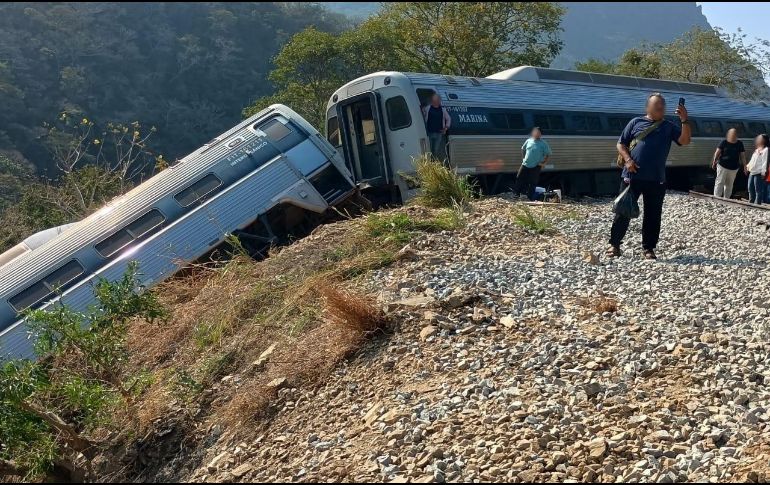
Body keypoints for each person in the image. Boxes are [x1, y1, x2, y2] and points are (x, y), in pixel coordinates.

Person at [608, 93, 691, 260]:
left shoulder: (668, 126)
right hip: (632, 176)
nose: (661, 108)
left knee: (653, 214)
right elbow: (621, 143)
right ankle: (614, 245)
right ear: (648, 107)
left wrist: (684, 120)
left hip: (656, 178)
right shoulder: (635, 122)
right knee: (623, 211)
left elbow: (685, 141)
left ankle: (649, 248)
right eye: (657, 105)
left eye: (662, 105)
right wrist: (628, 160)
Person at [513, 127, 552, 200]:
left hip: (536, 165)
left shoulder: (543, 143)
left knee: (533, 182)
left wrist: (544, 163)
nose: (536, 133)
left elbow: (548, 154)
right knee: (519, 178)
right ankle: (516, 194)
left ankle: (530, 197)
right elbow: (523, 149)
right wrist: (523, 158)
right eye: (535, 132)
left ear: (540, 134)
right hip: (525, 164)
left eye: (538, 132)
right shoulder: (528, 140)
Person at [711, 128, 746, 199]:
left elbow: (742, 155)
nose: (733, 135)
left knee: (729, 184)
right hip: (722, 165)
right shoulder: (724, 142)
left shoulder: (739, 143)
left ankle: (726, 199)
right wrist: (714, 162)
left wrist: (745, 166)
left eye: (734, 134)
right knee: (720, 182)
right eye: (732, 133)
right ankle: (717, 198)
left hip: (734, 167)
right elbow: (717, 153)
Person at [421, 93, 451, 162]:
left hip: (439, 133)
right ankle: (430, 163)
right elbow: (422, 113)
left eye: (437, 100)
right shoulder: (428, 108)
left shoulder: (443, 110)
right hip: (429, 132)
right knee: (429, 149)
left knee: (436, 150)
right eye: (434, 100)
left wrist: (446, 128)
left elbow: (448, 119)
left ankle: (434, 163)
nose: (435, 101)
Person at [746, 133, 768, 204]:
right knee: (750, 188)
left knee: (758, 190)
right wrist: (748, 166)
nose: (758, 140)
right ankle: (751, 202)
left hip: (759, 173)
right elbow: (752, 160)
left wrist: (763, 172)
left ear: (764, 140)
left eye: (760, 138)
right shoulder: (757, 150)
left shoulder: (766, 150)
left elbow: (765, 161)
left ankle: (757, 204)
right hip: (752, 171)